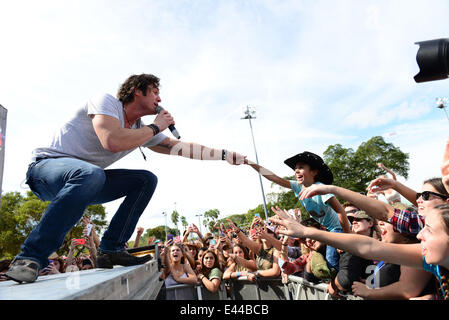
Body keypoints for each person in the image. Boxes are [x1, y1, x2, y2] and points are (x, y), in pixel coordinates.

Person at [6, 73, 246, 283]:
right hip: (46, 171)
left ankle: (111, 249)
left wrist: (223, 155)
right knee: (91, 174)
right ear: (137, 91)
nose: (159, 99)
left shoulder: (140, 128)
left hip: (86, 182)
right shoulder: (106, 102)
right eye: (154, 92)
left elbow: (180, 147)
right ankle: (30, 257)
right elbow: (112, 141)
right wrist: (156, 127)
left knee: (145, 180)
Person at [269, 204, 449, 300]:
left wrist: (369, 292)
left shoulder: (421, 256)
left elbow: (407, 289)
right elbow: (367, 247)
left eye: (430, 229)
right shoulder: (425, 256)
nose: (420, 235)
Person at [245, 151, 350, 271]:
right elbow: (274, 178)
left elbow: (341, 211)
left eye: (301, 167)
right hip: (323, 231)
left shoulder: (321, 188)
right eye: (295, 168)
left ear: (314, 172)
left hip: (338, 229)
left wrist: (347, 238)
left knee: (331, 262)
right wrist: (251, 163)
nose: (296, 171)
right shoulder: (298, 186)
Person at [351, 220, 434, 300]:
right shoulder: (391, 257)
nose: (381, 223)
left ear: (405, 237)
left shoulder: (412, 256)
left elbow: (407, 289)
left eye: (389, 221)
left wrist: (368, 291)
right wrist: (371, 283)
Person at [327, 210, 375, 297]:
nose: (354, 222)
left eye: (359, 219)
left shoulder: (381, 245)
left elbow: (345, 281)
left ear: (370, 223)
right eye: (352, 220)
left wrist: (334, 284)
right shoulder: (344, 247)